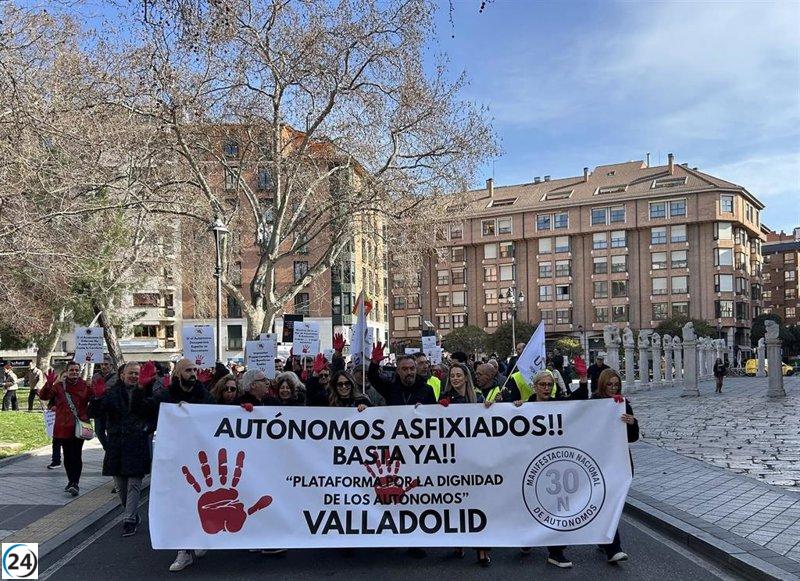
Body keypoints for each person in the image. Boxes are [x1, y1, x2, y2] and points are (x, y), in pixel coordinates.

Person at [152, 358, 214, 572]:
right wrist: (143, 388)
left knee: (200, 500)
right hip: (175, 458)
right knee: (180, 504)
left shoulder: (204, 394)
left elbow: (215, 415)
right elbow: (147, 411)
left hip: (200, 458)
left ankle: (198, 538)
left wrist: (195, 410)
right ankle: (183, 551)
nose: (193, 373)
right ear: (178, 374)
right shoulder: (167, 395)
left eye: (195, 370)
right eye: (188, 370)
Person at [89, 361, 159, 537]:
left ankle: (129, 519)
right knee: (121, 486)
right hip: (117, 444)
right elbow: (95, 413)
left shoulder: (146, 393)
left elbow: (154, 415)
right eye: (131, 373)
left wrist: (146, 429)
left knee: (134, 484)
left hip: (136, 442)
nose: (134, 376)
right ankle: (131, 512)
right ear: (122, 375)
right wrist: (96, 398)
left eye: (137, 373)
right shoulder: (112, 393)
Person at [436, 363, 489, 566]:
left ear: (466, 377)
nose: (456, 378)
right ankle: (458, 544)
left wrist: (490, 408)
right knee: (455, 504)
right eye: (453, 375)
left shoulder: (478, 399)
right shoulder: (444, 399)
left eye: (459, 375)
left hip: (475, 459)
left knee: (478, 504)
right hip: (453, 460)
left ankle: (482, 550)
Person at [594, 368, 638, 563]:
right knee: (608, 503)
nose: (613, 388)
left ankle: (603, 538)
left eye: (616, 385)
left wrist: (632, 422)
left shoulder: (623, 404)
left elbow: (633, 437)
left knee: (613, 502)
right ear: (602, 385)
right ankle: (613, 547)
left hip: (619, 459)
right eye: (609, 384)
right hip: (599, 461)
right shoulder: (593, 403)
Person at [37, 362, 91, 496]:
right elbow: (44, 396)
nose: (74, 372)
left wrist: (97, 391)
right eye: (71, 370)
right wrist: (48, 384)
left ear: (79, 371)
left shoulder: (85, 385)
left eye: (76, 370)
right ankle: (71, 481)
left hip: (79, 426)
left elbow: (95, 400)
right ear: (66, 371)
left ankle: (75, 483)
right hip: (63, 426)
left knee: (76, 454)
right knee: (67, 455)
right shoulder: (59, 386)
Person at [367, 344, 436, 406]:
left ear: (415, 369)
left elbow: (434, 411)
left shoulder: (427, 389)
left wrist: (424, 409)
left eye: (412, 368)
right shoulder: (390, 388)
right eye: (404, 369)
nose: (409, 372)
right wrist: (374, 363)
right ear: (398, 371)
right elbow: (373, 377)